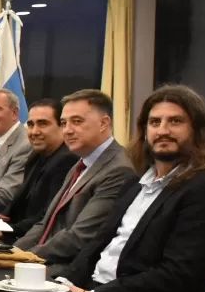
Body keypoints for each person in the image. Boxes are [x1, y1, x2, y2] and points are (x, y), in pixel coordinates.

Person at [60, 85, 205, 292]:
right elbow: (98, 244)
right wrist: (64, 282)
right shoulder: (137, 182)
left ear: (198, 131)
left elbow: (177, 276)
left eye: (175, 121)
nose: (163, 130)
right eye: (155, 122)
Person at [16, 89, 137, 275]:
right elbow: (45, 223)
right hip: (43, 261)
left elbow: (79, 237)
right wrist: (12, 252)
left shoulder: (118, 170)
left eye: (77, 121)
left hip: (70, 272)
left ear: (104, 123)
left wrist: (24, 259)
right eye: (64, 123)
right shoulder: (81, 162)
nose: (68, 130)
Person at [1, 98, 79, 240]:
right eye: (30, 125)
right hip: (14, 232)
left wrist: (3, 232)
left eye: (43, 124)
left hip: (34, 241)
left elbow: (47, 217)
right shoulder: (35, 156)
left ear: (62, 126)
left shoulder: (67, 160)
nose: (34, 132)